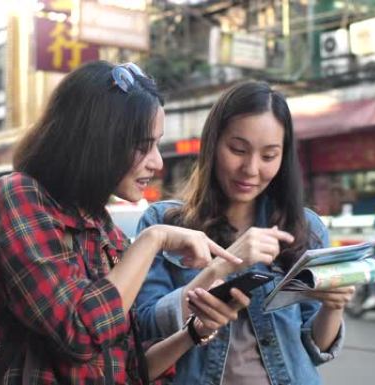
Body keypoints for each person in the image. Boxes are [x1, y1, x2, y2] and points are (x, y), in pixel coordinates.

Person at [0, 61, 247, 384]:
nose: (157, 162)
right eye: (143, 146)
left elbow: (130, 369)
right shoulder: (19, 196)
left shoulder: (105, 231)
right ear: (98, 140)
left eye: (156, 145)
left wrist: (195, 332)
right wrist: (153, 238)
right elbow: (79, 333)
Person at [134, 81, 354, 385]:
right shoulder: (164, 224)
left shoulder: (305, 228)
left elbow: (314, 350)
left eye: (268, 156)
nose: (251, 169)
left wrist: (333, 306)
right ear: (213, 144)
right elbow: (146, 326)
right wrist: (225, 263)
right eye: (238, 150)